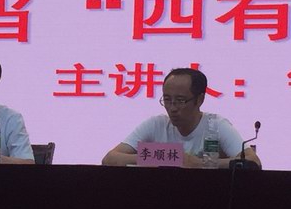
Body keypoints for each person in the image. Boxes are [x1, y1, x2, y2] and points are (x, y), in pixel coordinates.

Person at [102, 68, 261, 168]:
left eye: (180, 100)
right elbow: (109, 159)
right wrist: (162, 157)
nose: (172, 108)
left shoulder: (216, 125)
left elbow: (253, 162)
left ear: (199, 100)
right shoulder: (156, 124)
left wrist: (200, 164)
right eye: (167, 99)